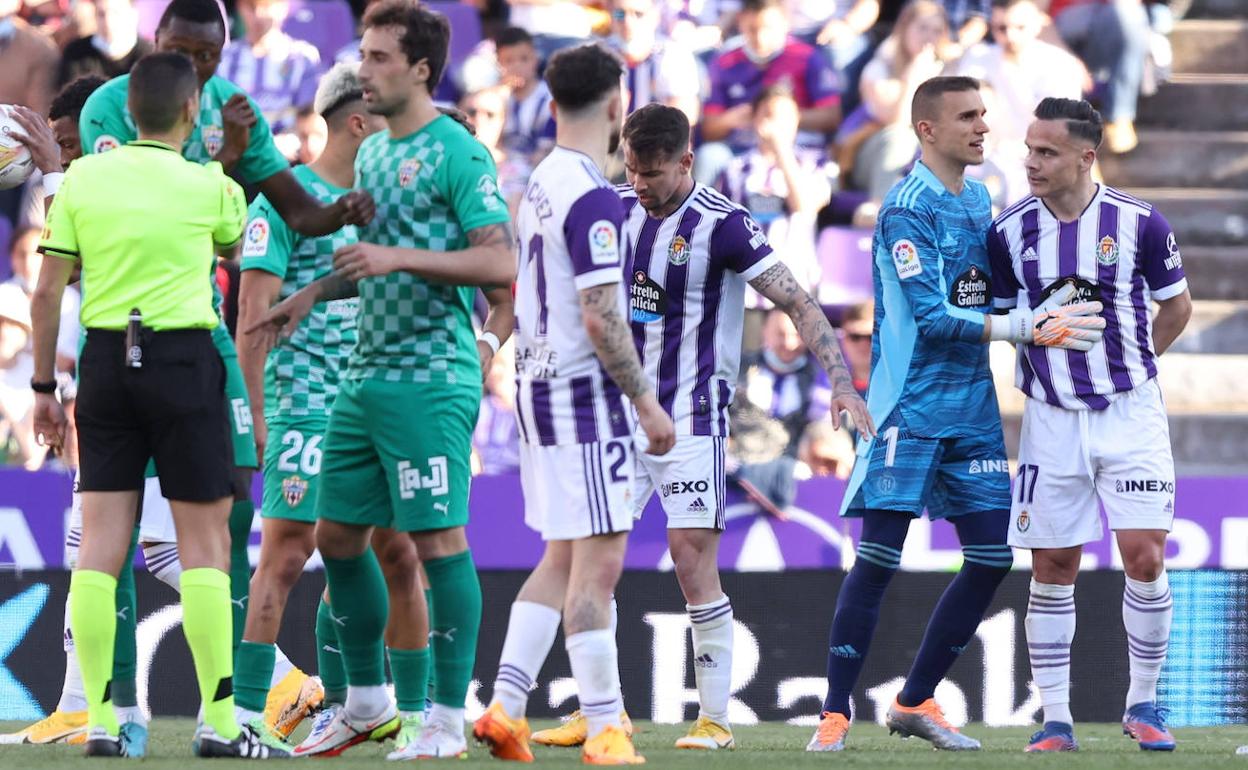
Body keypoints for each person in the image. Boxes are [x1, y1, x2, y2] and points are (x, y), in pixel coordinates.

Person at [533, 101, 872, 752]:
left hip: (691, 416)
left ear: (686, 161)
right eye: (631, 169)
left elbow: (797, 301)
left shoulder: (724, 225)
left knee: (691, 560)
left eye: (653, 172)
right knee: (590, 561)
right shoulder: (612, 210)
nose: (639, 183)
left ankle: (714, 720)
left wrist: (838, 380)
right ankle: (603, 711)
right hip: (617, 414)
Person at [805, 76, 1106, 753]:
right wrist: (1031, 327)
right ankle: (834, 711)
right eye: (967, 116)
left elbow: (985, 294)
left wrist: (1045, 303)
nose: (982, 127)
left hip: (971, 407)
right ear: (927, 129)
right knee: (878, 559)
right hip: (908, 406)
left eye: (983, 115)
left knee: (992, 556)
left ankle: (914, 700)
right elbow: (935, 318)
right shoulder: (905, 208)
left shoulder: (977, 197)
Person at [248, 1, 515, 759]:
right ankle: (366, 703)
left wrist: (403, 263)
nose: (361, 68)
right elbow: (370, 263)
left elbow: (501, 263)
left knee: (434, 543)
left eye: (377, 57)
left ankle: (444, 720)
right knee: (336, 537)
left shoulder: (457, 152)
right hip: (364, 375)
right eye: (361, 55)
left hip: (429, 374)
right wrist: (310, 293)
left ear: (420, 70)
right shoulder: (372, 157)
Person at [79, 0, 374, 673]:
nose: (195, 66)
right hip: (118, 329)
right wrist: (229, 163)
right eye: (182, 50)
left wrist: (341, 211)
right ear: (155, 38)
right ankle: (107, 705)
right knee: (109, 530)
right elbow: (138, 209)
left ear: (223, 53)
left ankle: (240, 699)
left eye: (208, 56)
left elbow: (296, 211)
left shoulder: (232, 107)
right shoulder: (108, 109)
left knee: (230, 512)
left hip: (201, 329)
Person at [28, 52, 284, 759]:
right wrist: (226, 161)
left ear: (124, 113)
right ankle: (221, 724)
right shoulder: (209, 185)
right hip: (184, 362)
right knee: (205, 548)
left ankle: (101, 722)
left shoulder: (84, 178)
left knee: (99, 549)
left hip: (106, 363)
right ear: (192, 112)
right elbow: (233, 245)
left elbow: (47, 292)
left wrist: (44, 389)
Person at [471, 43, 675, 766]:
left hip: (536, 384)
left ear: (552, 103)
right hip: (583, 397)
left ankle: (505, 707)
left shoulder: (541, 179)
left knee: (561, 555)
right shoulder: (591, 196)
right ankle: (606, 725)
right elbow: (600, 315)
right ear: (618, 105)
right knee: (599, 564)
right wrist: (646, 402)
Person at [988, 97, 1191, 753]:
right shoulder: (1009, 231)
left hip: (1130, 412)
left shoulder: (1140, 223)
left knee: (1145, 554)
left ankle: (1143, 704)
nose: (1031, 161)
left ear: (1085, 156)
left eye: (1046, 151)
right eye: (1029, 148)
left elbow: (1177, 307)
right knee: (1052, 563)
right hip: (1050, 418)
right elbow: (997, 319)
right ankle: (1056, 720)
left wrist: (1133, 365)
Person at [233, 61, 419, 751]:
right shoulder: (284, 203)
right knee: (287, 552)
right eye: (389, 122)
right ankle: (244, 712)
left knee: (382, 551)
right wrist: (254, 414)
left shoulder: (384, 206)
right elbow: (252, 317)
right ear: (359, 122)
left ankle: (355, 707)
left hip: (373, 403)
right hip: (305, 404)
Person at [953, 0, 1085, 203]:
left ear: (1040, 23)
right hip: (985, 160)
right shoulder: (977, 57)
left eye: (1020, 27)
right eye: (1001, 28)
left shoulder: (1061, 65)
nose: (1010, 36)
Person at [697, 0, 841, 183]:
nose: (761, 38)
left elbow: (831, 116)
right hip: (741, 147)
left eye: (768, 28)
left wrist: (780, 117)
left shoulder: (807, 57)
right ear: (740, 22)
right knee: (709, 156)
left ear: (785, 23)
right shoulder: (725, 63)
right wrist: (731, 119)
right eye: (752, 29)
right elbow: (709, 128)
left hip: (799, 146)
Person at [717, 84, 833, 306]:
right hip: (744, 291)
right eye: (769, 115)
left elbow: (804, 206)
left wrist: (781, 149)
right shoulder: (734, 168)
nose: (778, 124)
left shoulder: (815, 164)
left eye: (786, 117)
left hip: (795, 287)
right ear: (755, 119)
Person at [846, 0, 949, 202]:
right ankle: (883, 207)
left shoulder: (949, 70)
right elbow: (898, 121)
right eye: (922, 28)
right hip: (874, 156)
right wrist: (912, 78)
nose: (929, 36)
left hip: (924, 155)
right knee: (899, 138)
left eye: (937, 31)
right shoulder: (879, 69)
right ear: (905, 28)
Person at [218, 0, 325, 160]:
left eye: (266, 7)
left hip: (287, 157)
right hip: (237, 156)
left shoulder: (302, 58)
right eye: (251, 8)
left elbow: (309, 121)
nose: (259, 15)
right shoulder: (225, 59)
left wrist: (293, 141)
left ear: (283, 7)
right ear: (240, 8)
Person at [1048, 0, 1150, 154]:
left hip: (1107, 31)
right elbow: (1033, 12)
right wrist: (1069, 59)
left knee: (1129, 13)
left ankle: (1119, 116)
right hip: (1059, 31)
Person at [605, 0, 702, 126]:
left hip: (657, 136)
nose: (628, 22)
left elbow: (684, 118)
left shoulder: (674, 55)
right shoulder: (598, 54)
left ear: (654, 17)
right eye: (619, 14)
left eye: (638, 14)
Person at [495, 26, 555, 164]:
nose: (517, 66)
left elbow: (546, 150)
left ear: (536, 59)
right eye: (508, 61)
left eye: (524, 59)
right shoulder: (494, 99)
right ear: (498, 63)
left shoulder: (549, 100)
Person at [57, 0, 153, 86]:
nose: (108, 22)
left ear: (133, 15)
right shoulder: (76, 52)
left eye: (116, 13)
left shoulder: (150, 55)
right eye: (101, 14)